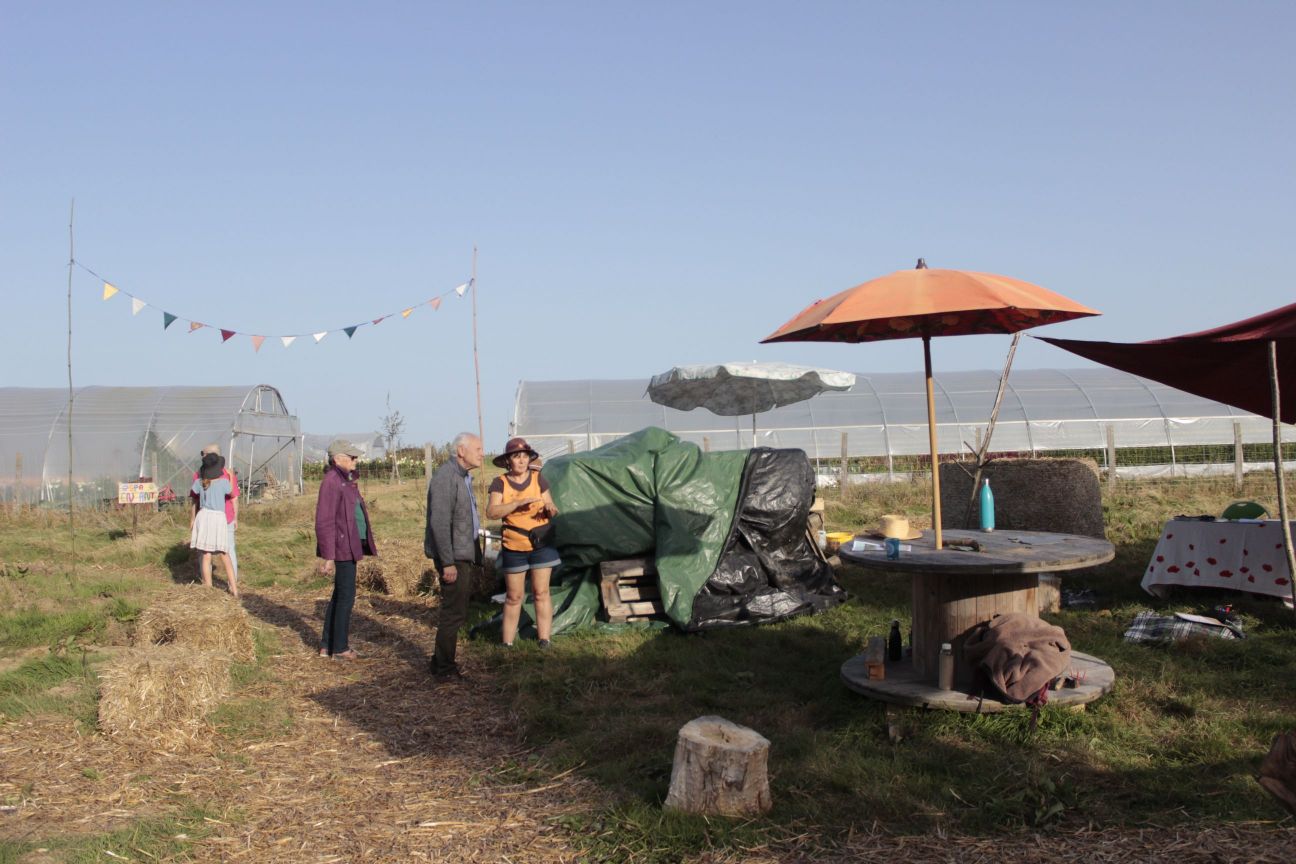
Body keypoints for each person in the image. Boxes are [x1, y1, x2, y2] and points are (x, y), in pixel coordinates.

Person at [486, 437, 559, 647]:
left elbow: (550, 503)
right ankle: (506, 643)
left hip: (541, 544)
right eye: (516, 457)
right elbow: (492, 511)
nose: (521, 461)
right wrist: (517, 504)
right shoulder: (500, 482)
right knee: (514, 596)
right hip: (514, 546)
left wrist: (550, 509)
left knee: (541, 592)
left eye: (524, 456)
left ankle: (544, 639)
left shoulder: (539, 479)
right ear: (508, 460)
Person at [424, 431, 484, 678]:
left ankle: (441, 661)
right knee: (453, 613)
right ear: (461, 451)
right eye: (478, 449)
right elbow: (439, 523)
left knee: (457, 611)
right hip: (453, 558)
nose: (482, 453)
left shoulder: (463, 477)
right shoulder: (445, 477)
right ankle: (444, 668)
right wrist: (447, 562)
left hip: (462, 554)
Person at [315, 439, 376, 660]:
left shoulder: (344, 480)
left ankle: (327, 644)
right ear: (338, 458)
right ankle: (339, 647)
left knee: (340, 594)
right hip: (341, 546)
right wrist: (328, 556)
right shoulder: (332, 481)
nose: (355, 460)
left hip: (348, 543)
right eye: (351, 457)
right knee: (346, 596)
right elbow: (325, 520)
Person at [190, 452, 239, 598]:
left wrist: (192, 518)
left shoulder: (200, 483)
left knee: (206, 555)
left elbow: (194, 497)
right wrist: (230, 476)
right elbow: (231, 493)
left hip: (204, 517)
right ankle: (235, 590)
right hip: (218, 519)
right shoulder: (223, 482)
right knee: (225, 554)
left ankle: (208, 589)